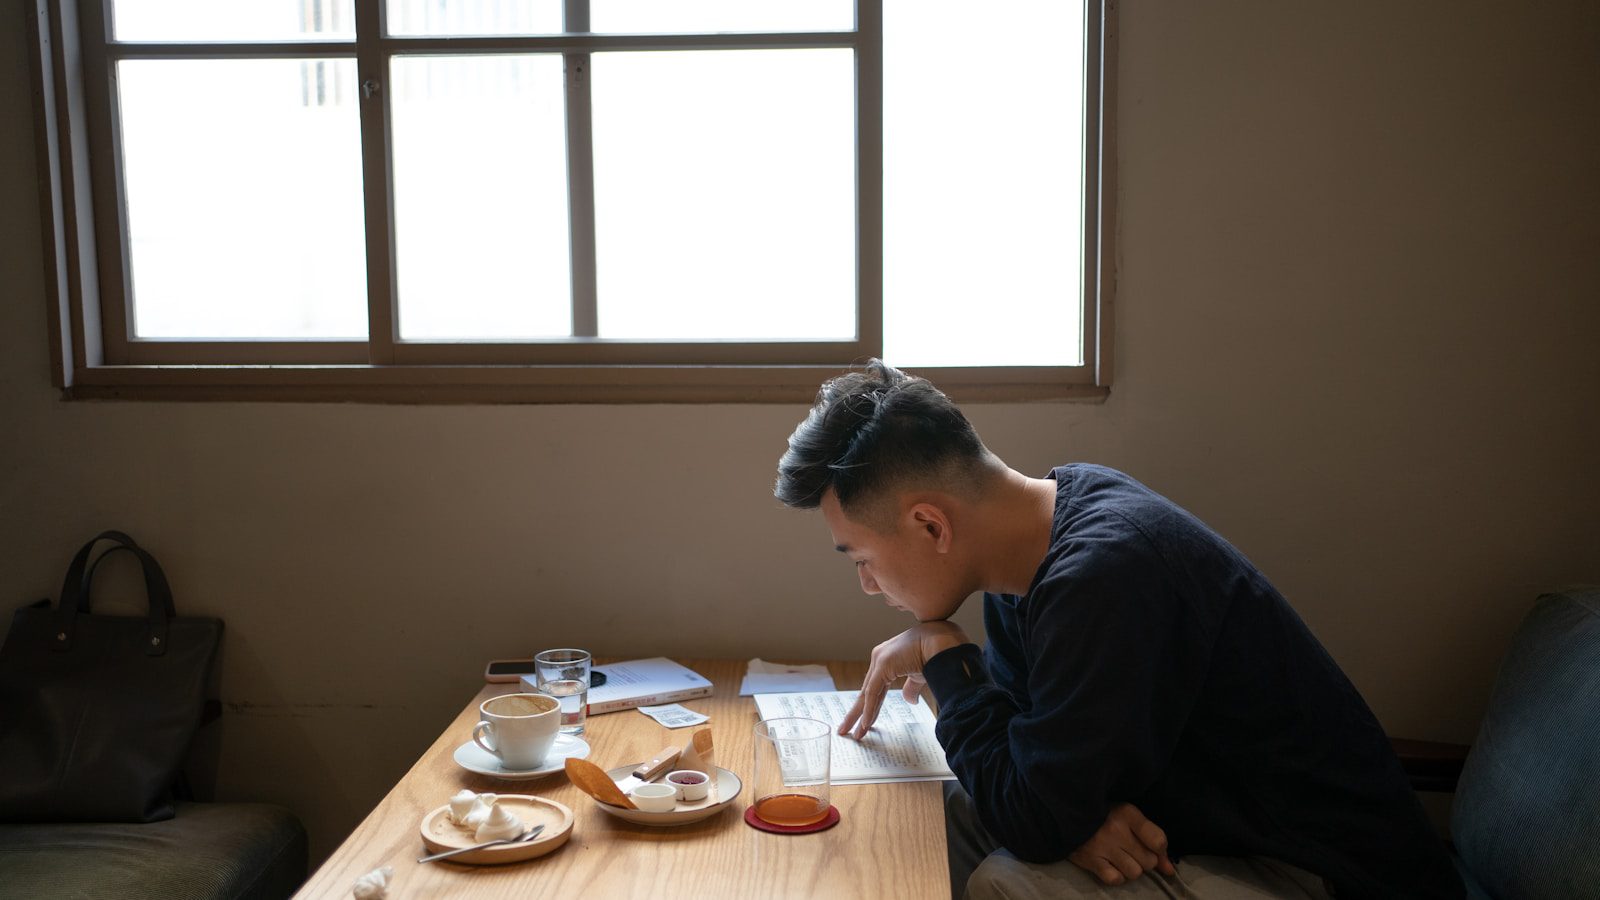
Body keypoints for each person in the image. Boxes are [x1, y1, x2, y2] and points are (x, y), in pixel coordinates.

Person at [774, 360, 1463, 900]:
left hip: (1315, 875)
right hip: (1195, 827)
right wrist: (1070, 820)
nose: (866, 584)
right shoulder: (1035, 541)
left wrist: (945, 657)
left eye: (863, 559)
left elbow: (1037, 808)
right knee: (949, 806)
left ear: (931, 524)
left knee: (1005, 882)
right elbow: (1031, 762)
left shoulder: (1104, 575)